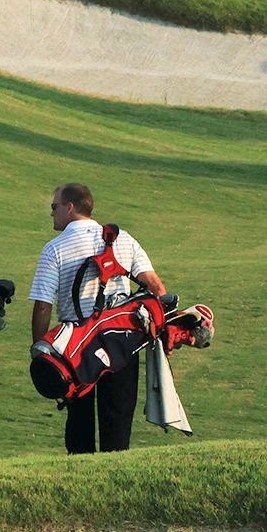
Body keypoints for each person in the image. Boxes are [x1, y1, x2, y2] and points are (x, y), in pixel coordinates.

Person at [29, 182, 166, 454]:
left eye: (54, 207)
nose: (52, 213)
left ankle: (81, 483)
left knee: (79, 424)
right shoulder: (122, 239)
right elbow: (156, 288)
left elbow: (43, 305)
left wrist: (41, 351)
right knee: (118, 420)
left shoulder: (54, 248)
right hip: (122, 343)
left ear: (70, 207)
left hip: (74, 349)